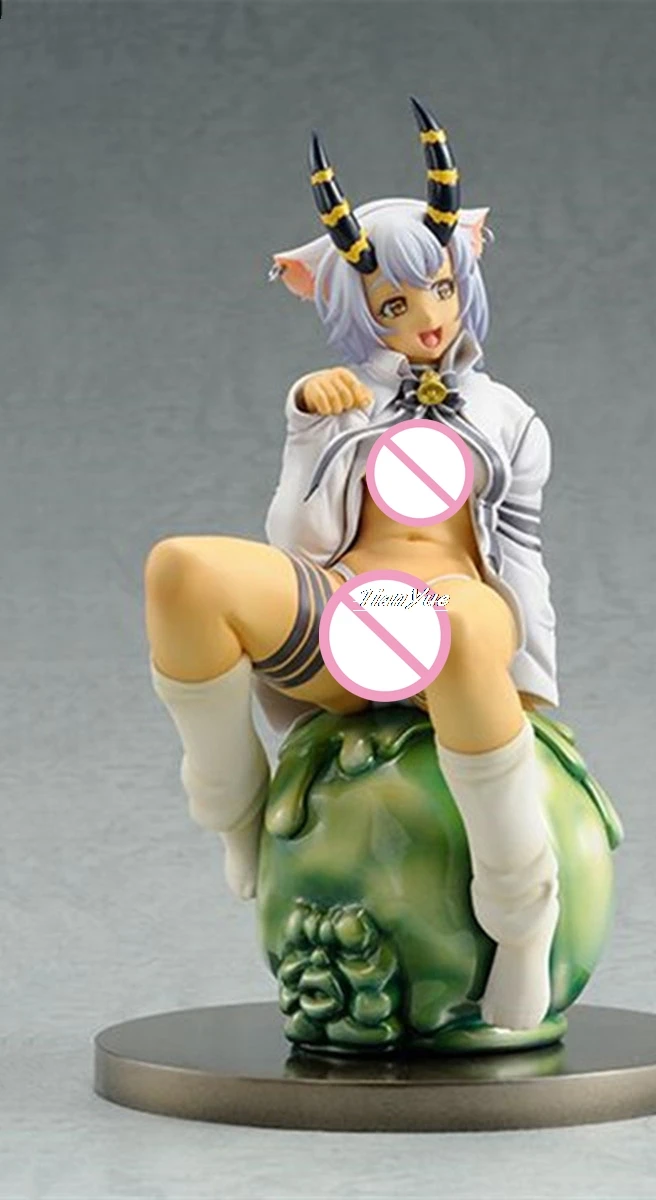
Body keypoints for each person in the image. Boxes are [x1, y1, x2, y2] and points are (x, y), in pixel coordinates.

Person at [146, 99, 560, 1031]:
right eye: (394, 304)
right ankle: (237, 811)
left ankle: (525, 921)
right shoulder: (339, 399)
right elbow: (295, 542)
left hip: (459, 605)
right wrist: (309, 425)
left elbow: (521, 553)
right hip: (347, 611)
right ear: (354, 309)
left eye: (441, 289)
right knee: (184, 571)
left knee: (459, 623)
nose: (428, 317)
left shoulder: (509, 418)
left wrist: (532, 687)